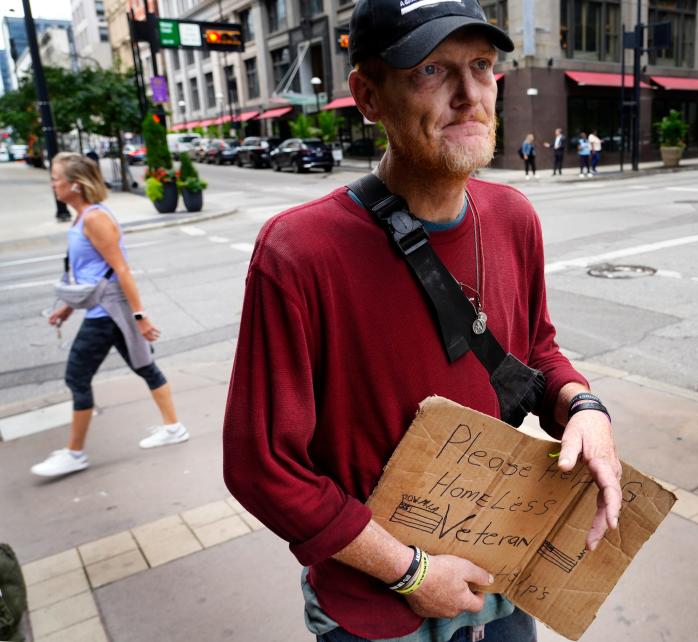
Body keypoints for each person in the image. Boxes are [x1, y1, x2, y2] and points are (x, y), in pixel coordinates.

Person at [222, 2, 623, 641]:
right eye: (432, 69)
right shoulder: (299, 251)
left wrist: (585, 408)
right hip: (377, 612)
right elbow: (262, 465)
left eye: (483, 66)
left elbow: (536, 350)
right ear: (368, 95)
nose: (470, 95)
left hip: (501, 582)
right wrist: (411, 573)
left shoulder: (513, 216)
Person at [31, 153, 188, 477]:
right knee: (145, 366)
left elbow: (121, 270)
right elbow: (93, 275)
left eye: (56, 177)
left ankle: (75, 453)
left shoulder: (94, 219)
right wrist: (67, 307)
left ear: (74, 184)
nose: (53, 183)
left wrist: (140, 316)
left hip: (109, 314)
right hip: (103, 311)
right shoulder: (81, 217)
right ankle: (173, 427)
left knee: (77, 376)